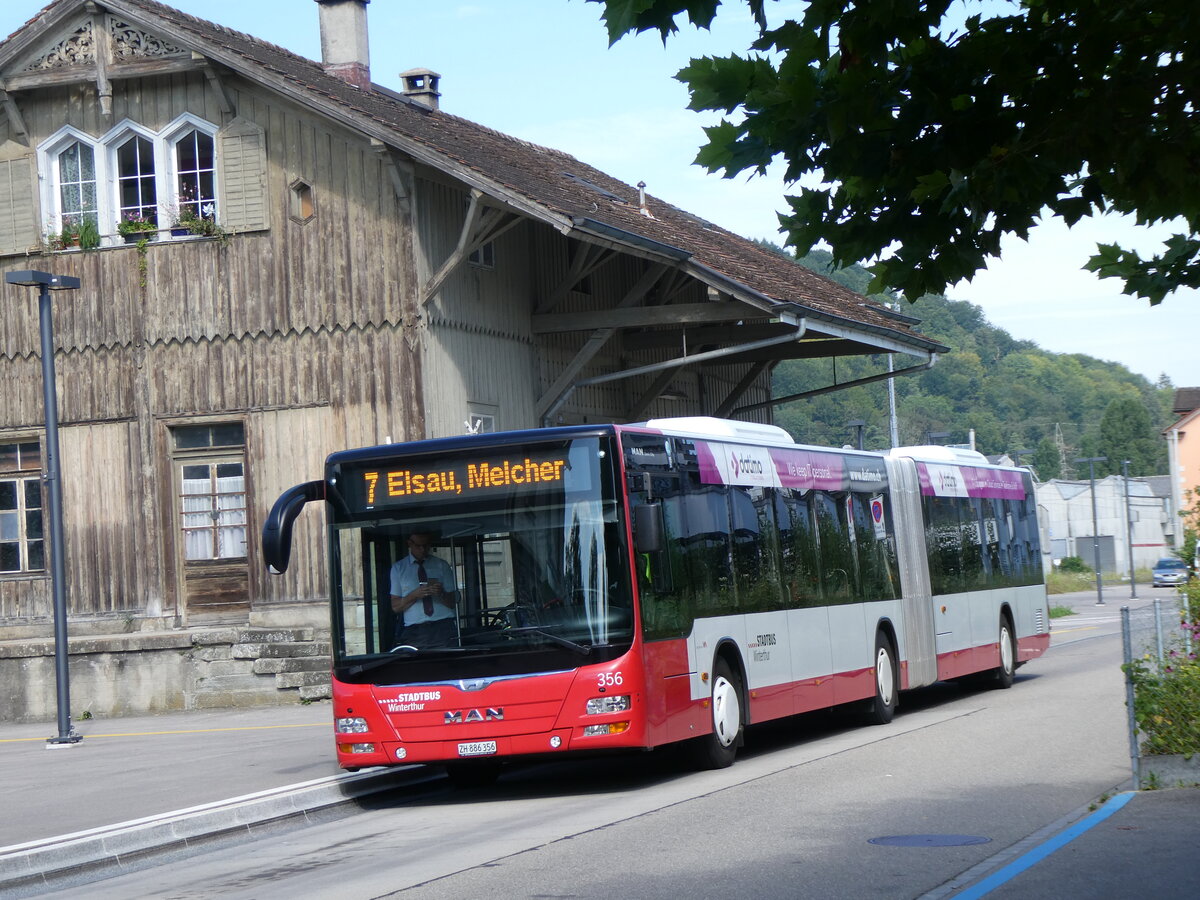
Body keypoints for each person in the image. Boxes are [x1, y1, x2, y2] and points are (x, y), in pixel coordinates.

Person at [390, 532, 458, 647]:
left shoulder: (442, 565)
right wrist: (414, 595)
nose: (422, 549)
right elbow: (396, 607)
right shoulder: (398, 568)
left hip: (443, 627)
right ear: (409, 544)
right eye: (418, 545)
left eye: (426, 545)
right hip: (415, 630)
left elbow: (453, 602)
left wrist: (441, 593)